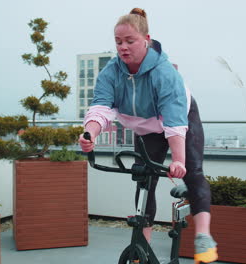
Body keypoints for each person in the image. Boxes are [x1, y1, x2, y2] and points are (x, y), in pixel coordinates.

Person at [79, 8, 218, 263]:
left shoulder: (164, 73)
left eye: (129, 41)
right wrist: (90, 134)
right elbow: (101, 108)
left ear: (147, 40)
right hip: (145, 128)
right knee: (143, 178)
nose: (123, 47)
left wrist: (177, 159)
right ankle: (143, 245)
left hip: (179, 120)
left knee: (193, 171)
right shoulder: (112, 72)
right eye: (118, 42)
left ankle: (203, 236)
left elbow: (174, 120)